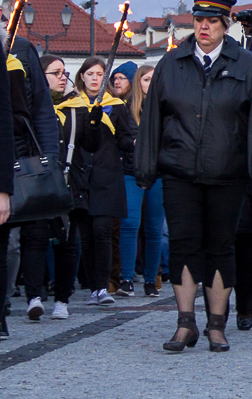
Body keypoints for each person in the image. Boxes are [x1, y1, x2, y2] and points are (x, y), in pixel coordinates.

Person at [137, 0, 252, 353]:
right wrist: (146, 166)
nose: (204, 27)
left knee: (221, 247)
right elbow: (153, 117)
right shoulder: (172, 63)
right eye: (199, 20)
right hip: (179, 170)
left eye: (212, 22)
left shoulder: (245, 64)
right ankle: (185, 323)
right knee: (183, 245)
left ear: (225, 25)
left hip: (227, 171)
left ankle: (216, 326)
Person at [54, 58, 133, 308]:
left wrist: (136, 144)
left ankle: (102, 286)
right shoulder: (71, 106)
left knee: (102, 231)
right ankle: (92, 287)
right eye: (90, 74)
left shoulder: (116, 105)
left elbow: (125, 138)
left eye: (100, 74)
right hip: (80, 176)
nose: (95, 78)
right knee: (86, 236)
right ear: (82, 77)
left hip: (106, 176)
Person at [0, 34, 49, 333]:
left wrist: (4, 189)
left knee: (8, 246)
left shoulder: (12, 62)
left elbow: (12, 122)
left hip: (10, 165)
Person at [115, 64, 164, 298]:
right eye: (146, 79)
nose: (150, 83)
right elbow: (120, 140)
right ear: (138, 82)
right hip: (131, 170)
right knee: (130, 223)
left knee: (154, 228)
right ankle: (126, 278)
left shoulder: (166, 107)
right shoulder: (127, 108)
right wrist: (135, 143)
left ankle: (151, 279)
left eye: (154, 79)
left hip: (158, 172)